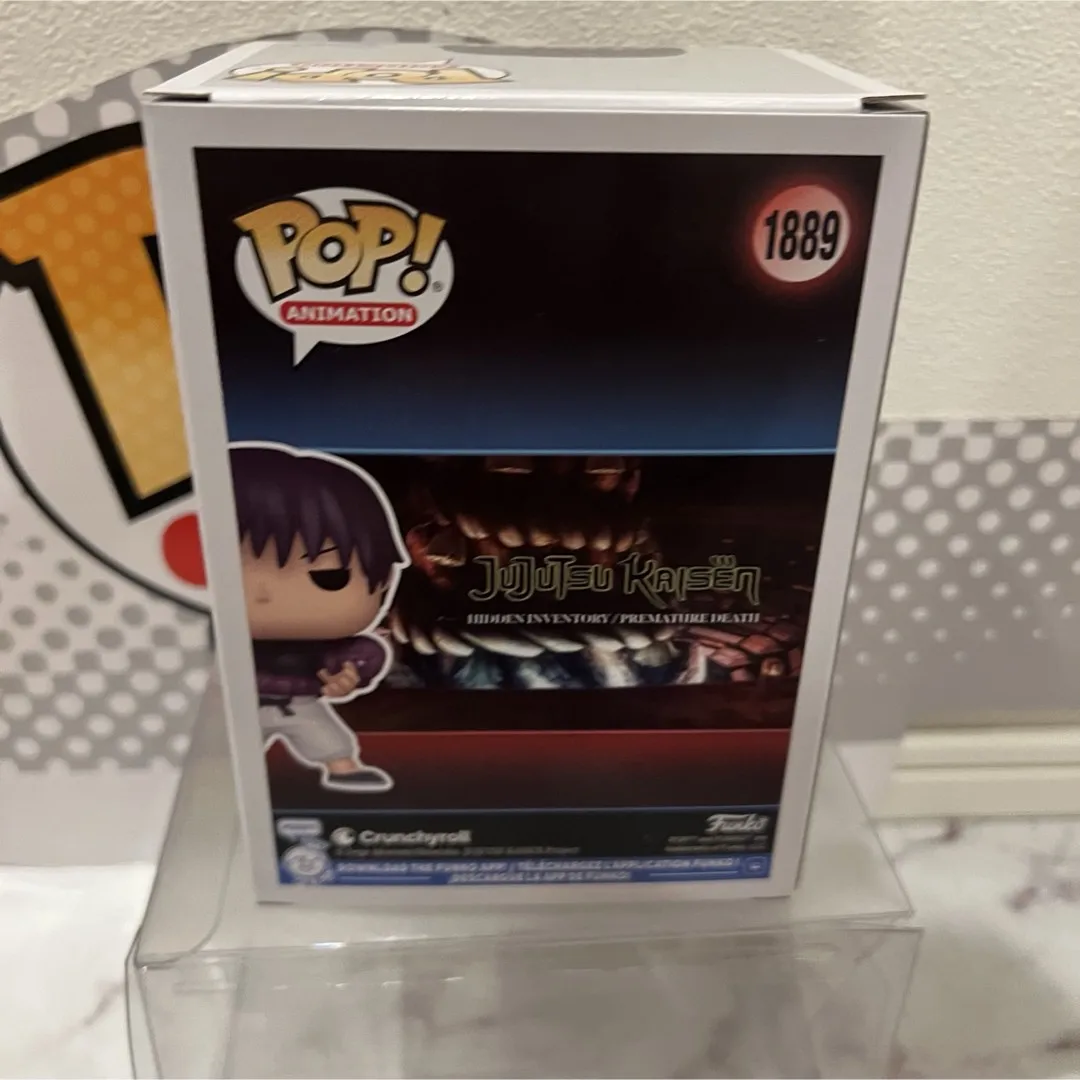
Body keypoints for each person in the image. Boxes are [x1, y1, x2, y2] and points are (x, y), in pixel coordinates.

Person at [230, 442, 408, 792]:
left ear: (385, 578)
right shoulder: (210, 639)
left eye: (328, 576)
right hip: (232, 706)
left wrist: (348, 675)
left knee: (327, 739)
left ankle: (343, 767)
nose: (264, 595)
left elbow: (358, 656)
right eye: (225, 572)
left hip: (301, 700)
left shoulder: (327, 645)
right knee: (228, 749)